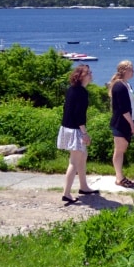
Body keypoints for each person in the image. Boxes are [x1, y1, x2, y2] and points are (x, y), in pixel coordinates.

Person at [57, 64, 98, 204]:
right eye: (88, 73)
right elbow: (79, 115)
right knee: (74, 161)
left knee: (83, 156)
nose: (90, 75)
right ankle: (66, 193)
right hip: (75, 129)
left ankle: (83, 186)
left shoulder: (72, 89)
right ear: (81, 76)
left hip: (67, 127)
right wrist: (85, 133)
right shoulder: (82, 92)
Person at [108, 60, 134, 188]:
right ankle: (119, 178)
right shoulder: (119, 86)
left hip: (128, 121)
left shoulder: (127, 85)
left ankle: (120, 176)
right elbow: (123, 108)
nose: (133, 72)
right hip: (122, 123)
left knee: (122, 149)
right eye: (131, 69)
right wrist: (131, 124)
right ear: (125, 71)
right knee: (119, 150)